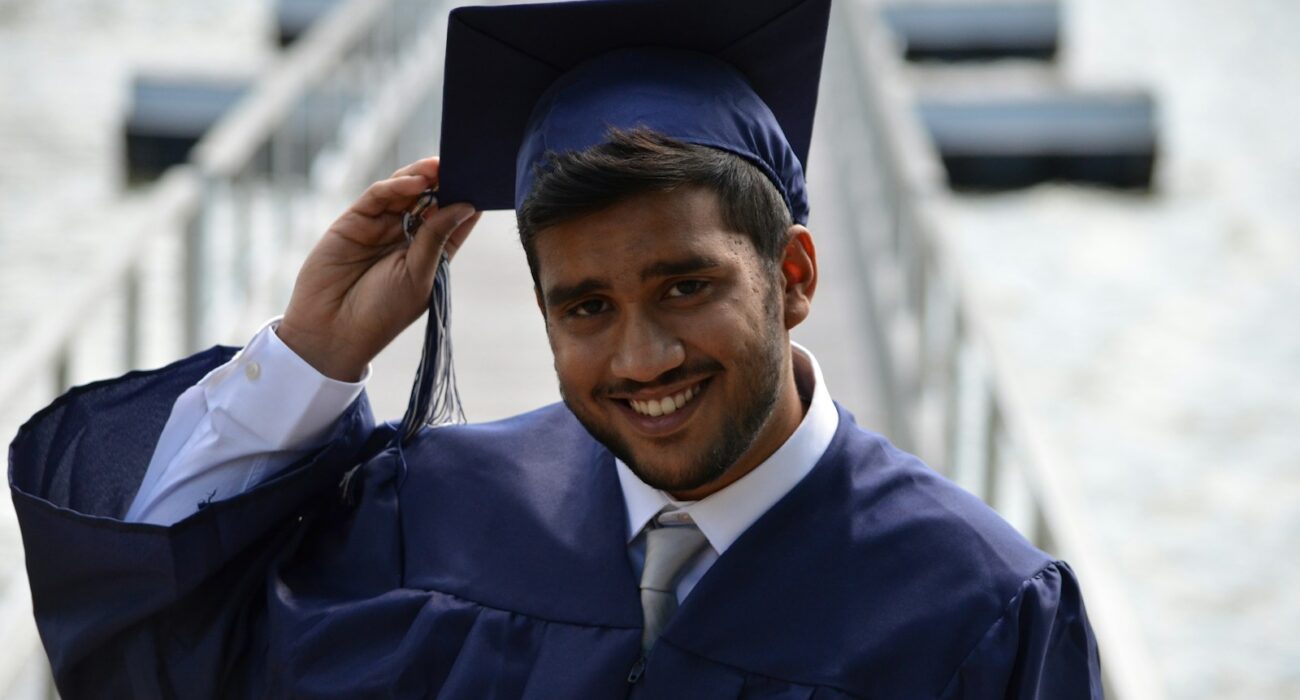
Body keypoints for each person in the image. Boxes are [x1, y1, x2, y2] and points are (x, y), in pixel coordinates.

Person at [9, 0, 1102, 697]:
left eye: (686, 285)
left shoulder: (983, 606)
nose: (640, 356)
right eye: (583, 308)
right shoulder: (431, 515)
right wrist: (310, 359)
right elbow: (161, 647)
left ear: (796, 278)